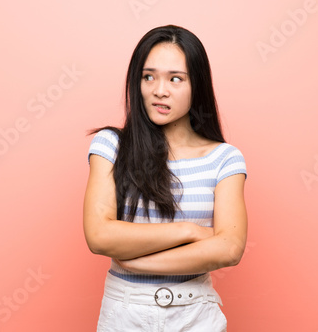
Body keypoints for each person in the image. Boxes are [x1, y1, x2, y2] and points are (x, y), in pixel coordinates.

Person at [83, 24, 248, 331]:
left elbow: (229, 247)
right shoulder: (111, 146)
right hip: (124, 312)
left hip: (197, 314)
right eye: (149, 77)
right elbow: (99, 235)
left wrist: (136, 262)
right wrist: (190, 231)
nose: (160, 90)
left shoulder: (224, 158)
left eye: (175, 79)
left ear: (196, 85)